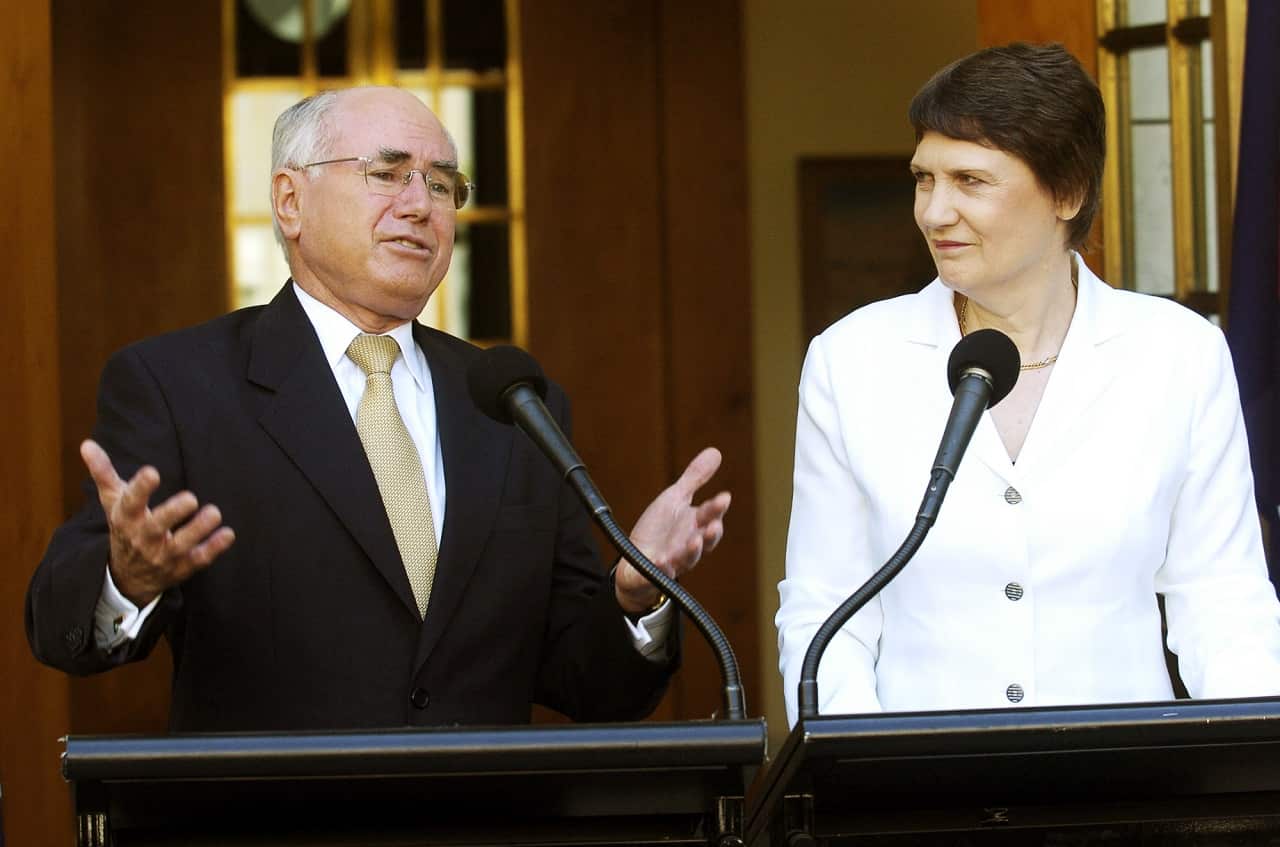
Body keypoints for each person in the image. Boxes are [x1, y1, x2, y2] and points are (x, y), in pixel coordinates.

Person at [26, 86, 731, 732]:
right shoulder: (181, 386)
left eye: (441, 183)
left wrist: (636, 596)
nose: (420, 204)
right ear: (289, 201)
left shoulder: (513, 404)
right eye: (388, 173)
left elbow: (588, 681)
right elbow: (59, 623)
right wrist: (127, 579)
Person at [775, 43, 1280, 723]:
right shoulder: (852, 360)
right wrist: (861, 774)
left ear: (1067, 191)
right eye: (924, 178)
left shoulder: (1179, 355)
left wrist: (1248, 782)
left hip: (1128, 792)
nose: (933, 211)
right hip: (920, 793)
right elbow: (825, 608)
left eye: (970, 181)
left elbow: (1222, 602)